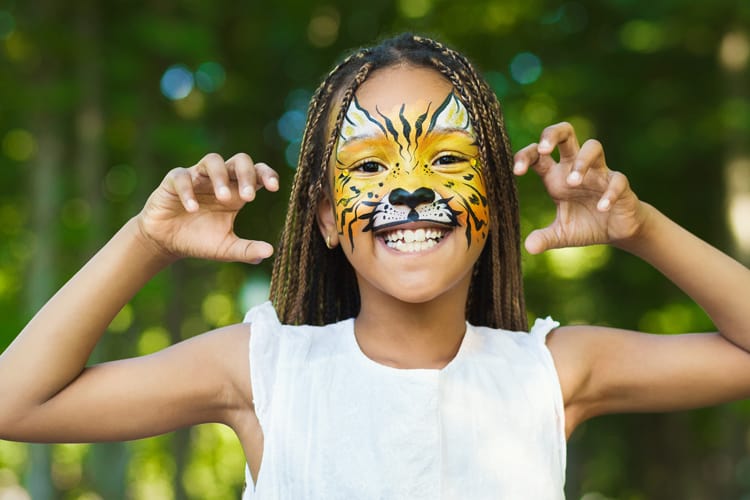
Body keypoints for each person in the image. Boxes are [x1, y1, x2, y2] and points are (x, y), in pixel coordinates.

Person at [1, 33, 749, 499]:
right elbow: (15, 404)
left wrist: (641, 228)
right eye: (370, 166)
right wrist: (147, 241)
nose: (411, 189)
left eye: (448, 160)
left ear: (493, 202)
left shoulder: (550, 373)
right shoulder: (264, 372)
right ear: (326, 216)